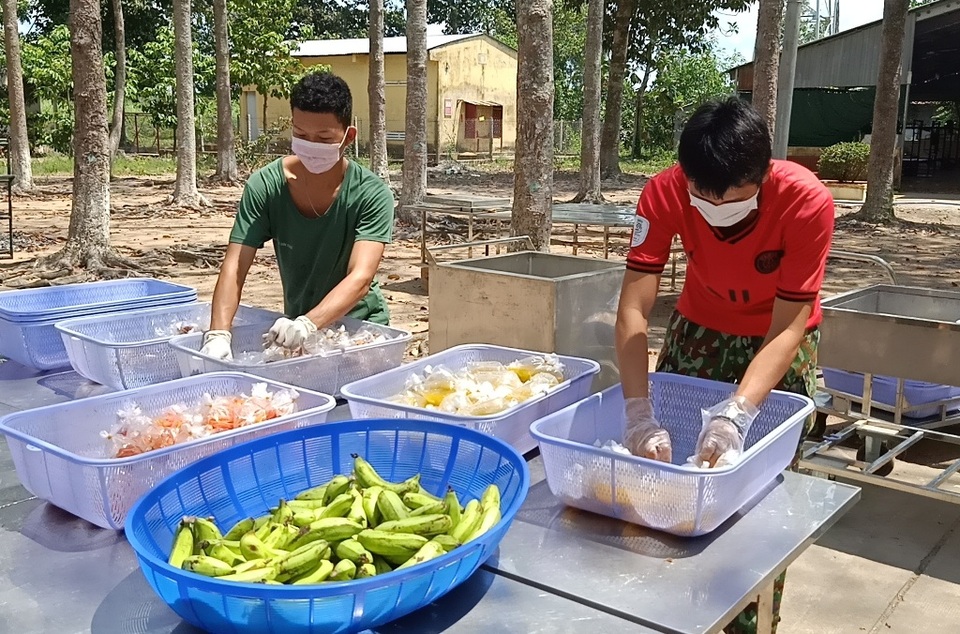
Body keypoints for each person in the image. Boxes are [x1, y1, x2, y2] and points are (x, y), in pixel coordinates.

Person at [614, 97, 834, 634]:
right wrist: (638, 409)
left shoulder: (805, 201)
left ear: (762, 175)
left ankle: (750, 621)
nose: (713, 209)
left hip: (777, 342)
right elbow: (632, 308)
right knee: (669, 483)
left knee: (757, 499)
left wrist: (738, 411)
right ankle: (670, 612)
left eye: (730, 200)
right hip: (698, 335)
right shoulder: (664, 192)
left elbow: (787, 326)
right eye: (700, 196)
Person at [200, 71, 395, 360]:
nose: (311, 145)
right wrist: (218, 334)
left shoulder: (371, 194)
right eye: (301, 135)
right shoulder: (265, 186)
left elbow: (360, 277)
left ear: (348, 136)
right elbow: (234, 268)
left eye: (323, 137)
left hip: (360, 329)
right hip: (297, 329)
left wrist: (307, 323)